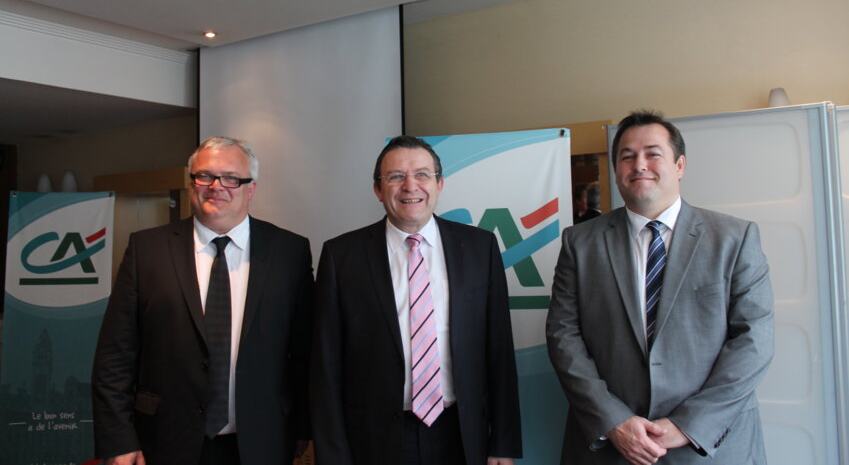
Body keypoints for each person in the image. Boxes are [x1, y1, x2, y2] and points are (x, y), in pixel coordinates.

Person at [546, 110, 774, 465]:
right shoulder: (580, 243)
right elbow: (563, 336)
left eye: (653, 154)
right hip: (610, 446)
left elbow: (754, 341)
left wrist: (690, 424)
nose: (639, 165)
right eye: (627, 156)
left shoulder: (734, 238)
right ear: (616, 170)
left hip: (709, 446)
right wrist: (613, 420)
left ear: (679, 165)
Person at [92, 137, 313, 465]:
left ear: (250, 188)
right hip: (165, 440)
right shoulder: (146, 250)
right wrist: (118, 440)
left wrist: (304, 427)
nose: (216, 187)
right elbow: (115, 355)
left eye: (231, 178)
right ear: (191, 183)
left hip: (264, 439)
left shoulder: (290, 252)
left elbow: (305, 352)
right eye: (205, 176)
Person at [310, 135, 522, 465]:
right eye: (396, 176)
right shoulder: (342, 256)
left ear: (439, 184)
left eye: (422, 174)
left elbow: (499, 350)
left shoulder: (479, 247)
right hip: (375, 439)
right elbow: (326, 366)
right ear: (378, 189)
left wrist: (503, 444)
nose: (411, 186)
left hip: (462, 434)